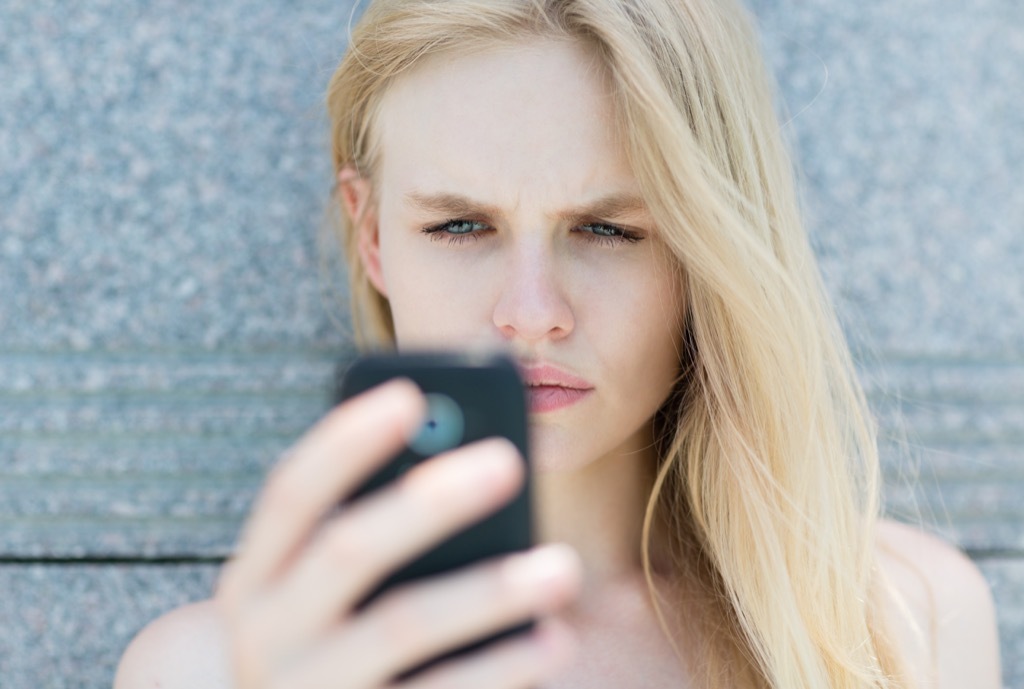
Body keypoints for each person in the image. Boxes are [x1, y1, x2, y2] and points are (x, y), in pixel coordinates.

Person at [114, 0, 1002, 687]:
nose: (533, 312)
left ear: (709, 248)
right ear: (372, 234)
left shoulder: (899, 621)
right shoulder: (213, 668)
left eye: (610, 229)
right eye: (461, 225)